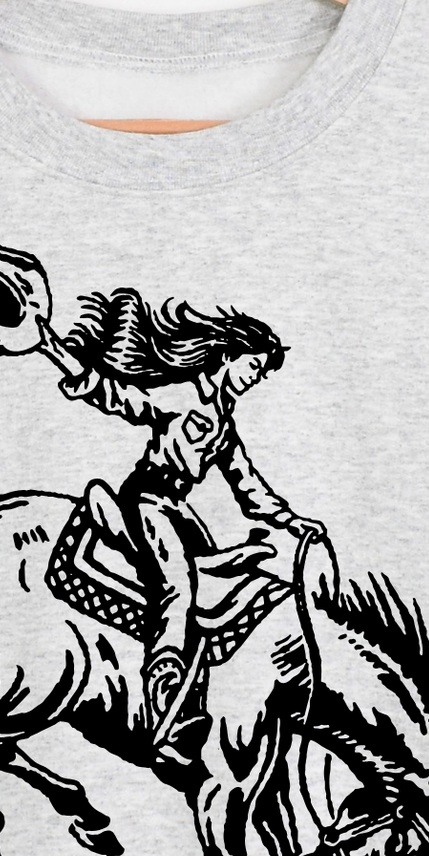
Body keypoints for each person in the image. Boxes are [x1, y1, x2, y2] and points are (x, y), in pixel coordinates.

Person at [57, 287, 325, 766]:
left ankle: (195, 702)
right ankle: (162, 691)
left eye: (260, 372)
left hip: (179, 509)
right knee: (178, 588)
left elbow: (247, 485)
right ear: (228, 356)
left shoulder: (223, 422)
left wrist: (291, 521)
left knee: (217, 591)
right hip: (147, 500)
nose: (254, 378)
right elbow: (127, 399)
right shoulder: (183, 394)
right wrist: (82, 375)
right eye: (253, 366)